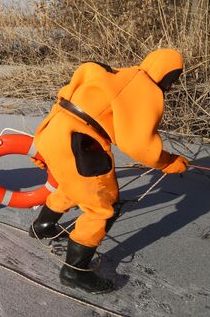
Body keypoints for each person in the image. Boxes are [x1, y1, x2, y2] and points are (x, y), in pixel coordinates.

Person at [29, 49, 189, 294]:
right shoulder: (145, 89)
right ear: (169, 76)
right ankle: (74, 271)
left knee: (72, 186)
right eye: (173, 79)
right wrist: (167, 162)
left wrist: (42, 147)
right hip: (80, 143)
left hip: (53, 130)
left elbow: (67, 98)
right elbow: (137, 144)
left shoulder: (118, 74)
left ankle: (42, 226)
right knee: (102, 206)